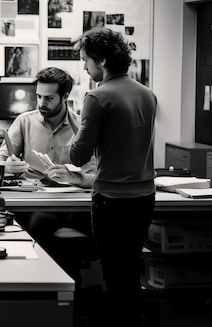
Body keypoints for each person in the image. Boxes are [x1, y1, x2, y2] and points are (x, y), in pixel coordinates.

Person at [71, 28, 157, 327]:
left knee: (113, 273)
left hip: (110, 199)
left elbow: (77, 157)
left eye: (86, 60)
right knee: (130, 270)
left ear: (103, 60)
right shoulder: (148, 94)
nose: (84, 67)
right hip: (144, 197)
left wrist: (78, 133)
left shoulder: (97, 97)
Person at [0, 67, 96, 274]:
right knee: (41, 223)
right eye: (38, 96)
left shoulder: (81, 127)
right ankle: (46, 285)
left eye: (49, 98)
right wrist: (9, 167)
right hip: (36, 201)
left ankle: (66, 292)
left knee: (91, 229)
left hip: (72, 204)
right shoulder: (24, 121)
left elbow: (95, 178)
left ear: (65, 97)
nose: (41, 103)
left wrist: (72, 176)